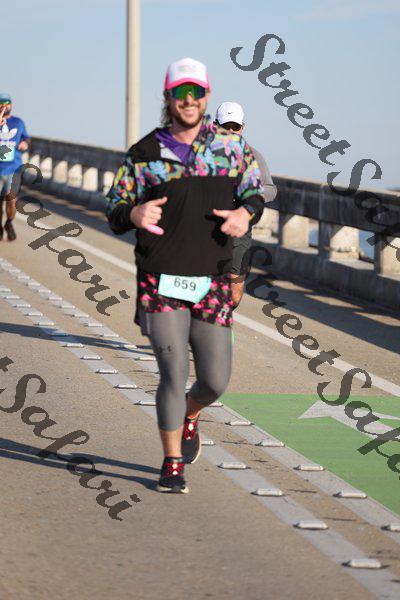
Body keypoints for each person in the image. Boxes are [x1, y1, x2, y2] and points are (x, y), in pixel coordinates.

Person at [106, 58, 264, 494]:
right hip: (160, 280)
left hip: (212, 280)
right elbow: (114, 206)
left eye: (196, 92)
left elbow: (254, 191)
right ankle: (172, 463)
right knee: (173, 372)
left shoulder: (232, 150)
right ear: (168, 97)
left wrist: (245, 213)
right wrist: (133, 213)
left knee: (214, 379)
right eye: (181, 92)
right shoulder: (144, 153)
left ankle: (191, 413)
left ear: (207, 96)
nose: (189, 100)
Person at [215, 102, 277, 308]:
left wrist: (249, 196)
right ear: (215, 126)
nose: (231, 131)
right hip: (207, 227)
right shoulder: (202, 154)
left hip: (239, 228)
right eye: (226, 126)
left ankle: (221, 313)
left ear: (243, 127)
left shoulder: (254, 157)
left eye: (236, 127)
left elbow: (271, 189)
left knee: (234, 296)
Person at [0, 93, 30, 241]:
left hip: (13, 168)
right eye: (1, 103)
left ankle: (9, 223)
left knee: (11, 200)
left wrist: (24, 143)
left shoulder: (18, 122)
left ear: (11, 105)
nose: (4, 106)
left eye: (7, 103)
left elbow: (26, 139)